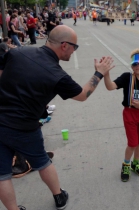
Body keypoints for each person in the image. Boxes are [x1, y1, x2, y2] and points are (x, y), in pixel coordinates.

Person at [0, 25, 114, 209]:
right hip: (25, 127)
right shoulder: (57, 75)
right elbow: (83, 95)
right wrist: (99, 72)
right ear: (64, 45)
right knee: (43, 163)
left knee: (2, 174)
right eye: (74, 47)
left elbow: (2, 74)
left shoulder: (18, 52)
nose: (74, 51)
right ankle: (59, 196)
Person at [103, 48, 139, 182]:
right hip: (130, 114)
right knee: (132, 143)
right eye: (134, 64)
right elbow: (110, 87)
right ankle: (126, 165)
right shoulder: (127, 77)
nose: (137, 66)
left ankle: (136, 163)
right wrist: (106, 74)